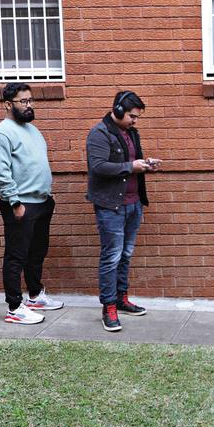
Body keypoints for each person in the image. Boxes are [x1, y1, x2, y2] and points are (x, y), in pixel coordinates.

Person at [0, 83, 61, 325]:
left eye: (30, 100)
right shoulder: (1, 133)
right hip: (20, 204)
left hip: (41, 202)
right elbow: (1, 172)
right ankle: (15, 307)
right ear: (8, 104)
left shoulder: (32, 130)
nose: (29, 105)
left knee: (36, 253)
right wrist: (15, 202)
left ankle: (35, 295)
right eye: (23, 101)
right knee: (16, 256)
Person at [86, 91, 160, 333]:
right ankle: (108, 306)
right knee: (111, 257)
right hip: (111, 207)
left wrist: (145, 164)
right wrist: (131, 166)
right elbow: (98, 166)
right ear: (117, 110)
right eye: (131, 116)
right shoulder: (99, 133)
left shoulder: (131, 133)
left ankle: (121, 298)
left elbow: (131, 165)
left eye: (137, 117)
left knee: (125, 255)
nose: (134, 120)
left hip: (133, 204)